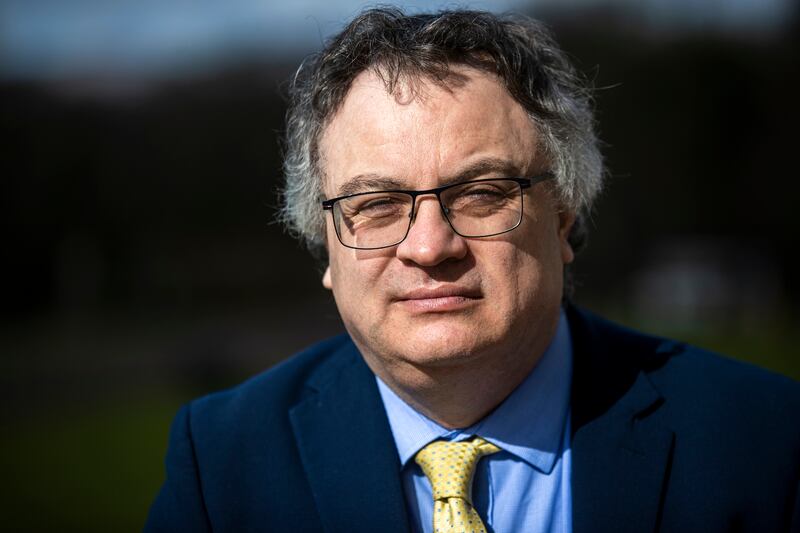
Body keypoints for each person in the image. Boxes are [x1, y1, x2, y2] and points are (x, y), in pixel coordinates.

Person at [145, 8, 800, 533]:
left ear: (564, 217)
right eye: (375, 205)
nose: (430, 247)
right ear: (325, 243)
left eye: (482, 193)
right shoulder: (223, 461)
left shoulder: (764, 441)